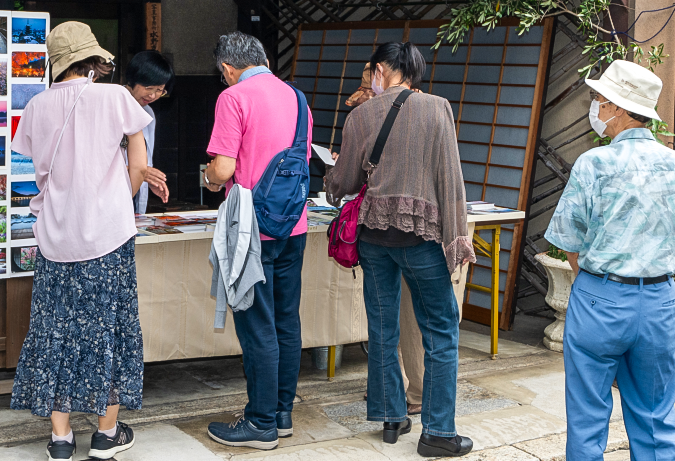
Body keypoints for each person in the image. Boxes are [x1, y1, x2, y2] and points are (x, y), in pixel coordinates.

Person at [9, 22, 167, 461]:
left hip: (55, 237)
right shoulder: (115, 96)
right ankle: (106, 434)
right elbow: (139, 166)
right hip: (108, 236)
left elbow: (37, 167)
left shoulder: (37, 106)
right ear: (94, 59)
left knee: (54, 330)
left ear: (58, 63)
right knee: (109, 330)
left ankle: (60, 440)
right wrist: (116, 193)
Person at [544, 60, 675, 461]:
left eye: (598, 99)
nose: (595, 106)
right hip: (660, 300)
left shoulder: (594, 164)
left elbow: (569, 240)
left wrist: (592, 285)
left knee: (587, 417)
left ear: (616, 107)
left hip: (601, 295)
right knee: (655, 418)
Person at [326, 42, 474, 457]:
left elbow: (345, 182)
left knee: (382, 327)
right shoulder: (437, 108)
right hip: (421, 239)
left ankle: (392, 418)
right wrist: (456, 237)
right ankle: (439, 433)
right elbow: (450, 176)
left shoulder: (360, 115)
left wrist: (333, 172)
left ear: (380, 69)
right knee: (441, 331)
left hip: (373, 238)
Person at [202, 31, 312, 450]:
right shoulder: (297, 98)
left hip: (251, 231)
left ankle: (261, 422)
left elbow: (224, 169)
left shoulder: (233, 98)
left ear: (228, 69)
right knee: (286, 320)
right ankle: (282, 414)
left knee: (256, 325)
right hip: (293, 226)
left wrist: (210, 177)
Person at [345, 62, 425, 417]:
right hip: (419, 225)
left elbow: (357, 172)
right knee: (410, 317)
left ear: (381, 75)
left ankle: (391, 401)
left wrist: (343, 170)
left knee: (386, 319)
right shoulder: (429, 107)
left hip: (383, 228)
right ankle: (412, 394)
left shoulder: (376, 113)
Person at [125, 50, 174, 213]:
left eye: (160, 90)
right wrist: (138, 172)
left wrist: (150, 179)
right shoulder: (112, 106)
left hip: (133, 197)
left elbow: (147, 162)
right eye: (148, 87)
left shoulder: (148, 113)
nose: (153, 95)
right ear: (133, 80)